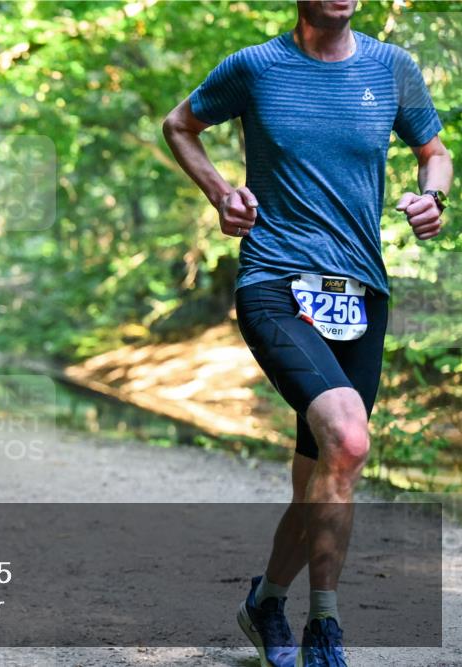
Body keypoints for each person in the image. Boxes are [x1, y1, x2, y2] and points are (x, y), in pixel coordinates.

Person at [163, 2, 451, 666]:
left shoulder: (392, 69)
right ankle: (326, 623)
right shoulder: (257, 68)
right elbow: (179, 124)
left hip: (361, 294)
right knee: (349, 437)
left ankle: (266, 602)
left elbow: (434, 154)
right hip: (276, 283)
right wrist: (219, 192)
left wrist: (432, 197)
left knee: (326, 469)